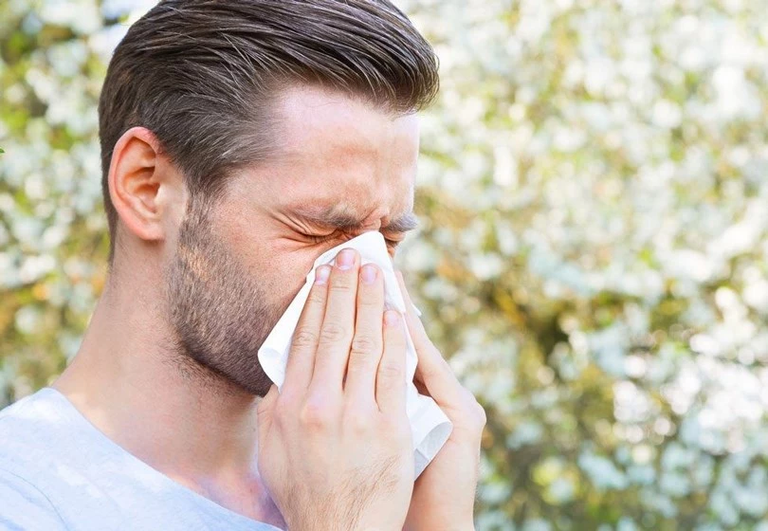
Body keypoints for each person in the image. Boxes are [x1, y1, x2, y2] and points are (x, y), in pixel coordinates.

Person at [0, 1, 486, 529]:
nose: (366, 280)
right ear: (147, 187)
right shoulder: (25, 500)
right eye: (316, 230)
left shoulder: (384, 483)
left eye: (387, 240)